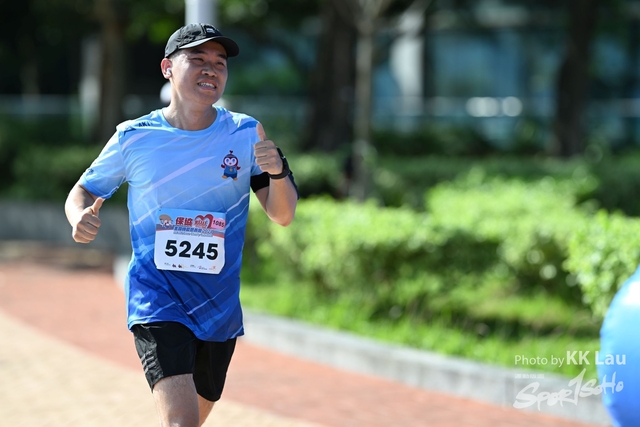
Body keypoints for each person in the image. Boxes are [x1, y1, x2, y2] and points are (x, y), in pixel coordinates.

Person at [64, 23, 298, 427]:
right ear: (167, 68)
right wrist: (78, 216)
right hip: (156, 298)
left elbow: (283, 214)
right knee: (181, 421)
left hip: (218, 306)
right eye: (197, 59)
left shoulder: (245, 132)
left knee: (190, 419)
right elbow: (82, 191)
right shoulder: (134, 137)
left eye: (220, 63)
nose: (211, 69)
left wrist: (278, 172)